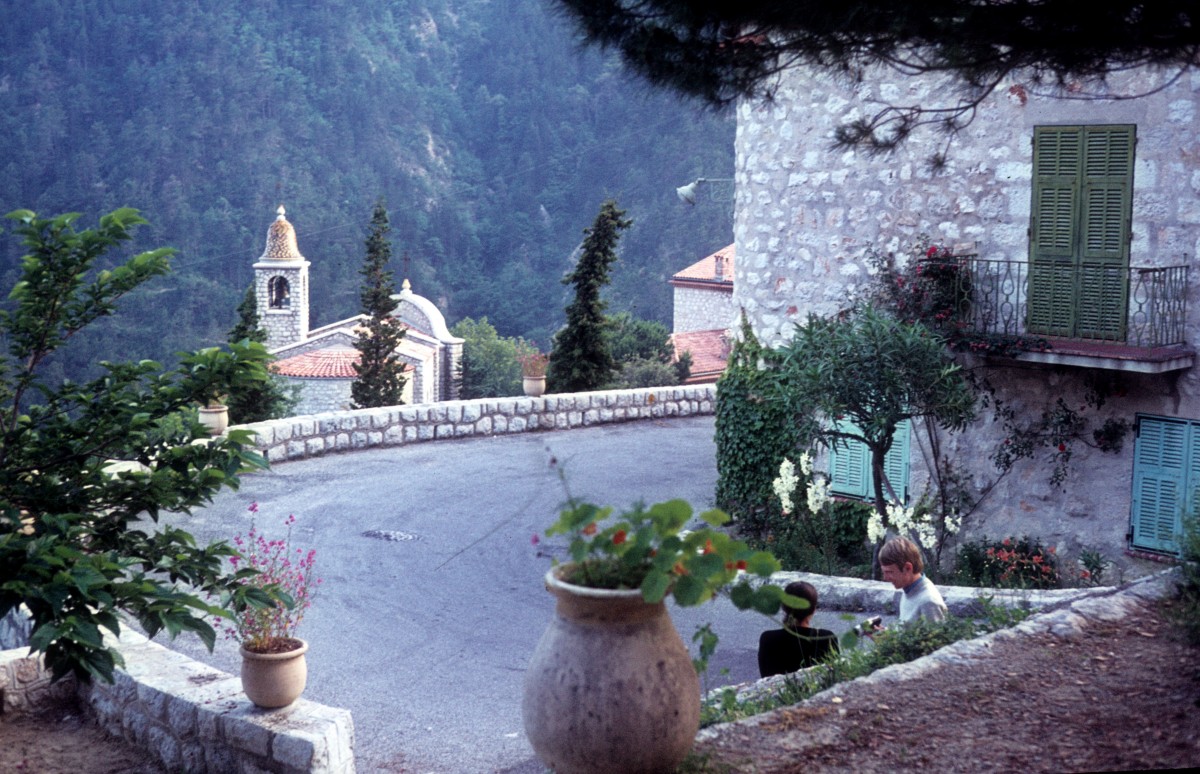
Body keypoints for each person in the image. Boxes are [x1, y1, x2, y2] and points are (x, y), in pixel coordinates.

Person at [758, 581, 839, 677]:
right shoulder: (826, 637)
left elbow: (766, 677)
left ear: (784, 607)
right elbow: (834, 675)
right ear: (813, 609)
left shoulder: (768, 638)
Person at [879, 536, 947, 623]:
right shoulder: (909, 589)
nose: (885, 578)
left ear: (907, 568)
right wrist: (886, 635)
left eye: (890, 572)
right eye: (884, 572)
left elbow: (936, 636)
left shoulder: (928, 602)